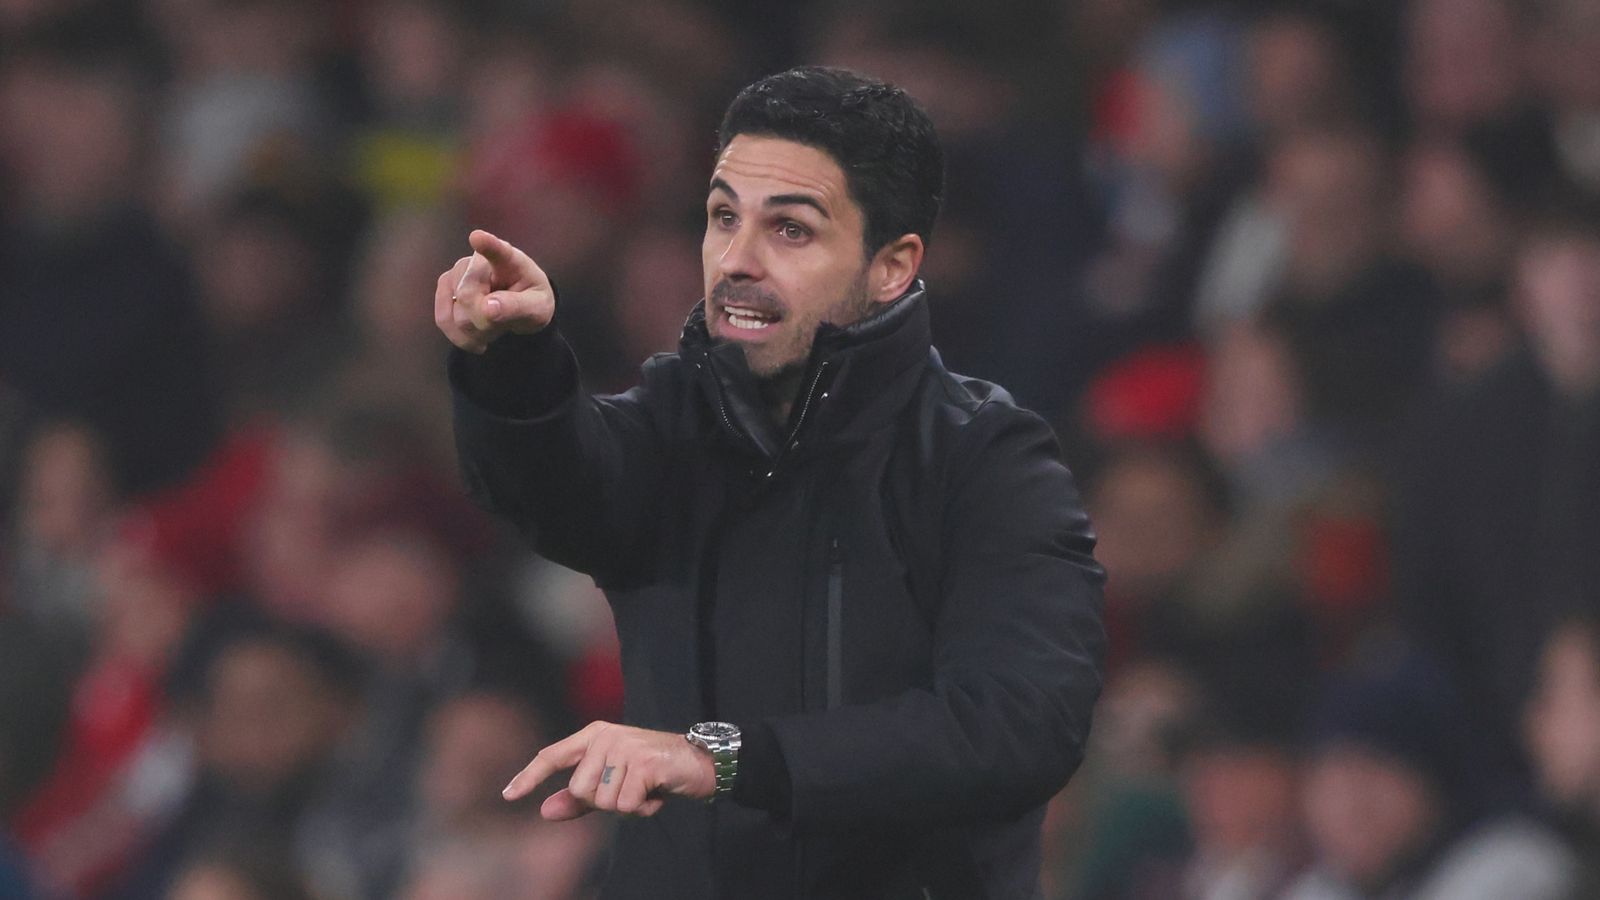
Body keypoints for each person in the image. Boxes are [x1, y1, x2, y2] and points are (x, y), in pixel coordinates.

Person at [436, 66, 1106, 898]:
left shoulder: (986, 459)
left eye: (790, 230)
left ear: (892, 266)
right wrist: (513, 364)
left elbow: (1018, 726)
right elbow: (562, 493)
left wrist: (720, 758)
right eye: (723, 218)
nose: (737, 260)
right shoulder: (674, 419)